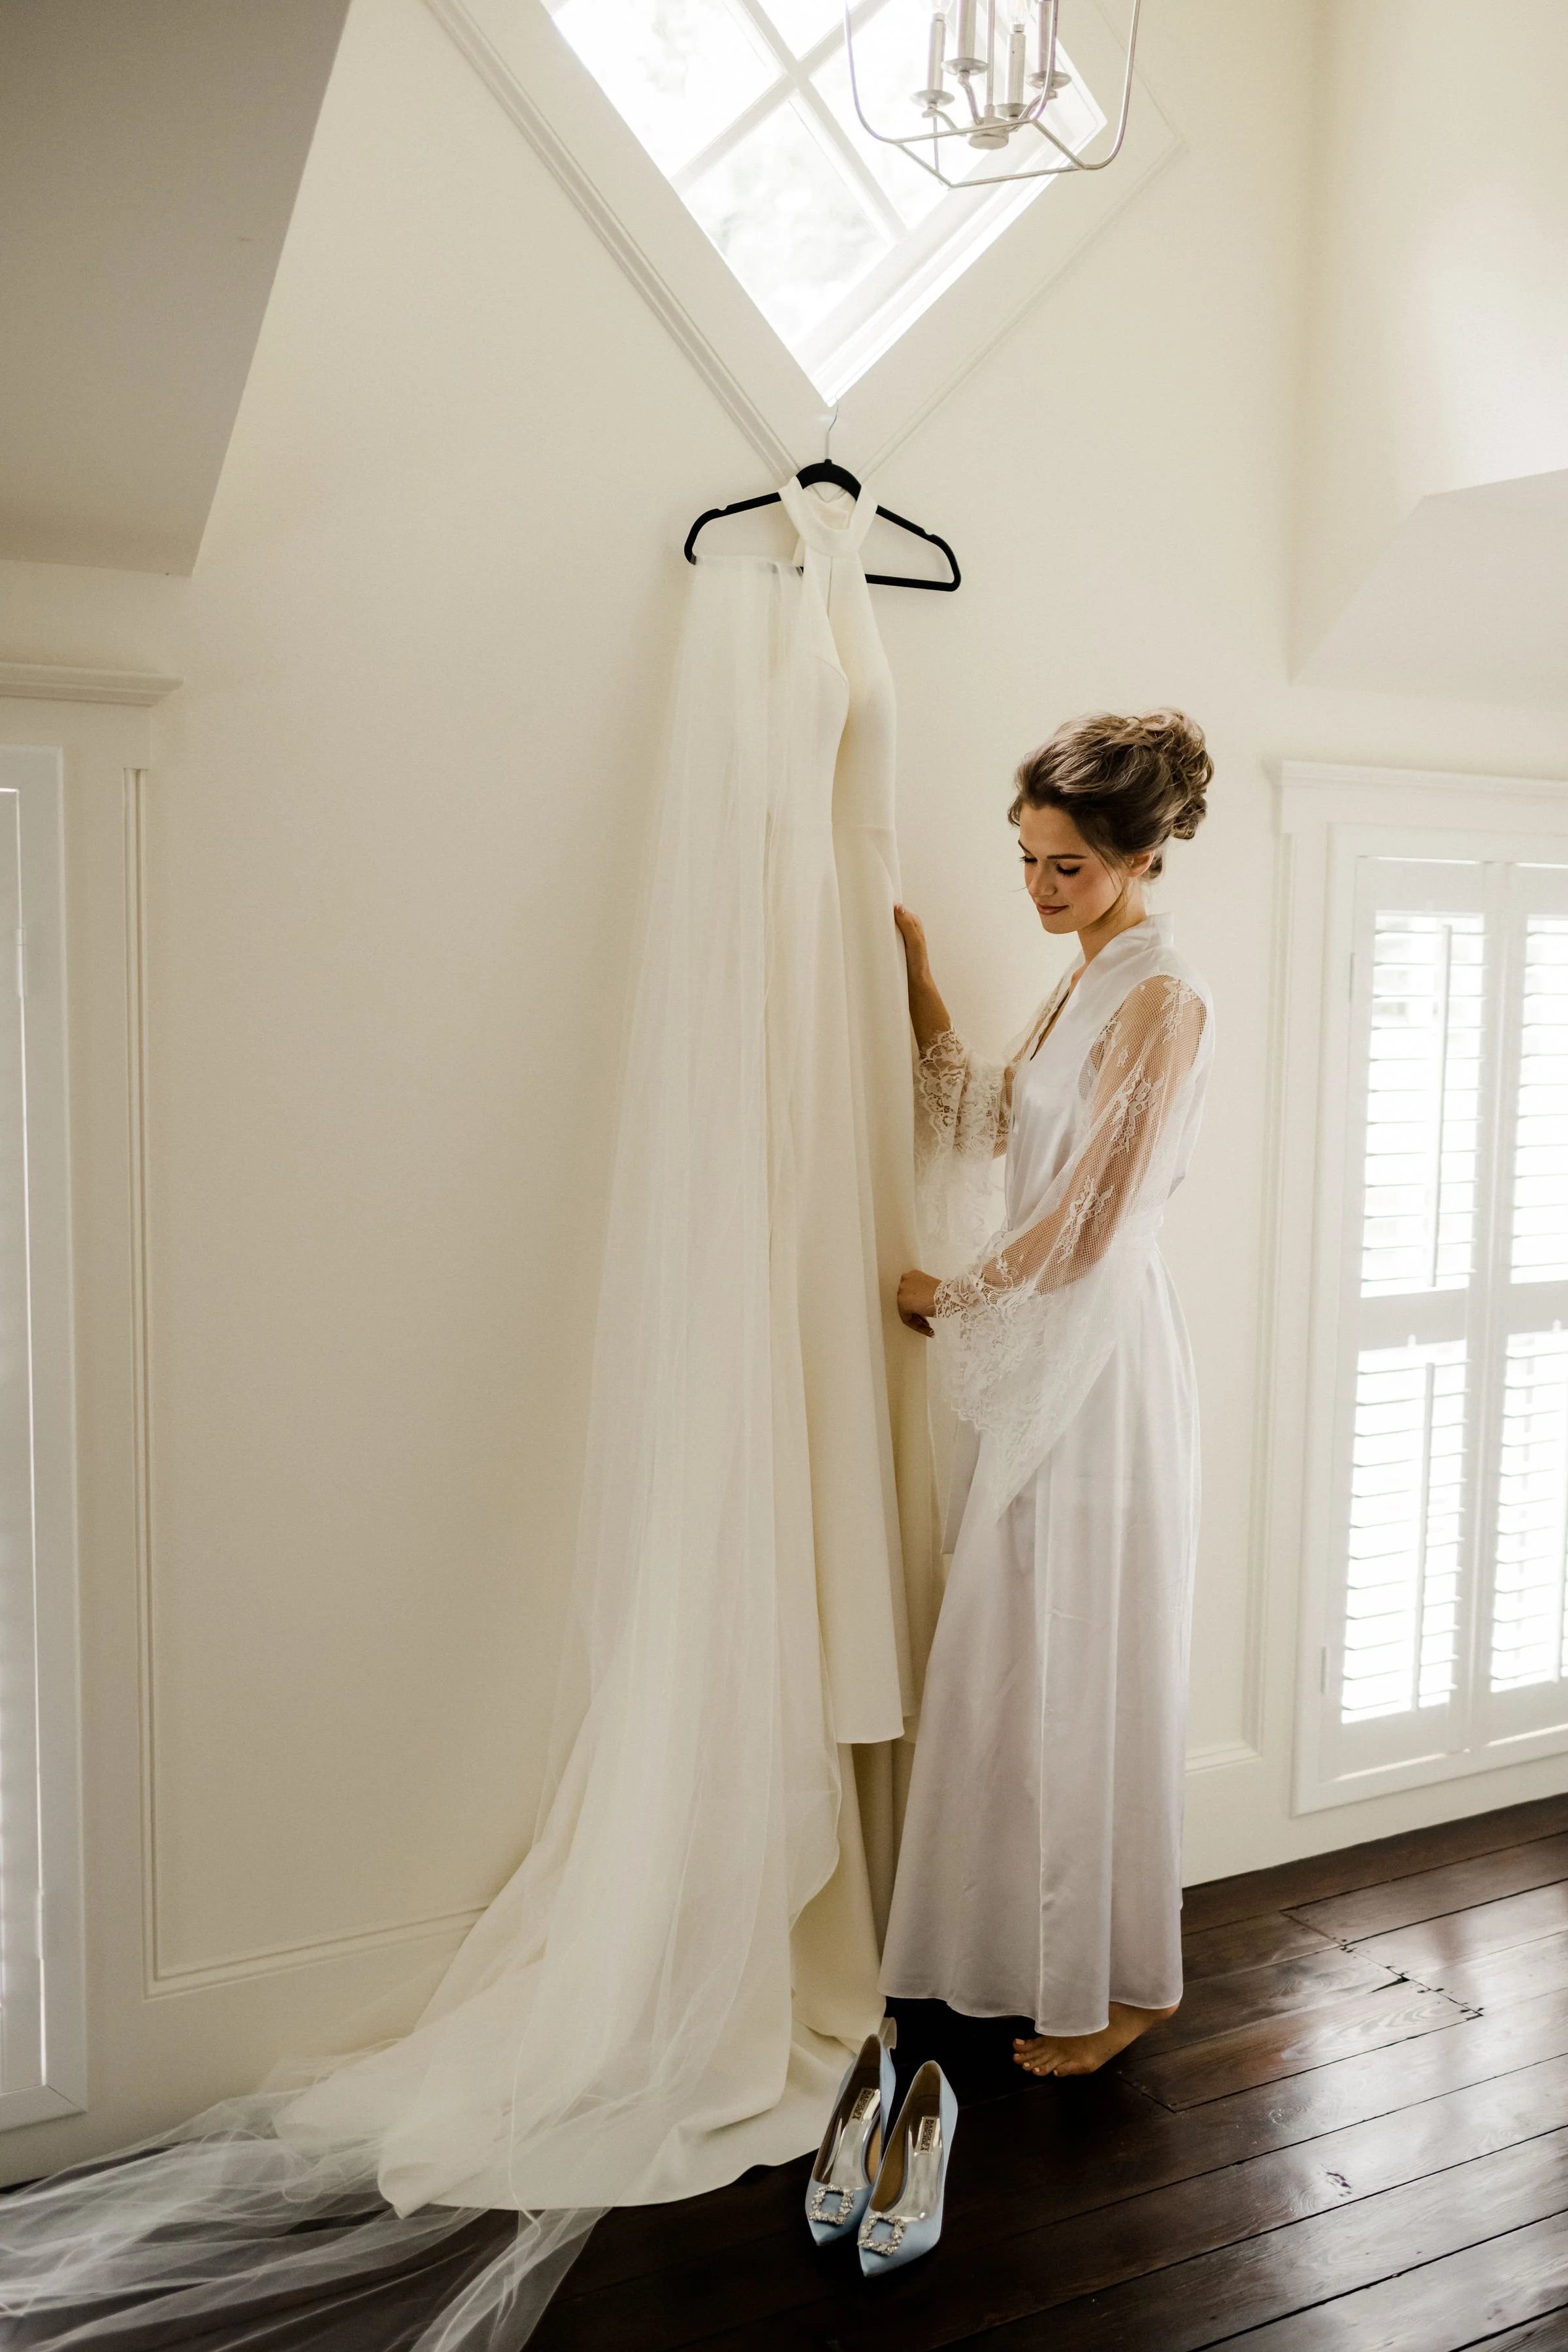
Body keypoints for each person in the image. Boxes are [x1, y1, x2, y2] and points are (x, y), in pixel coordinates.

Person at [881, 710, 1214, 2078]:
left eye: (1066, 866)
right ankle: (1025, 1945)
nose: (1037, 887)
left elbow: (1091, 1216)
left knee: (1088, 1653)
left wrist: (947, 1295)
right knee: (1022, 1648)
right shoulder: (1083, 982)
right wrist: (913, 979)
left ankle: (1124, 1983)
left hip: (1101, 1362)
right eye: (1025, 858)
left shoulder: (1161, 997)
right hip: (1046, 1347)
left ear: (1141, 857)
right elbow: (986, 1116)